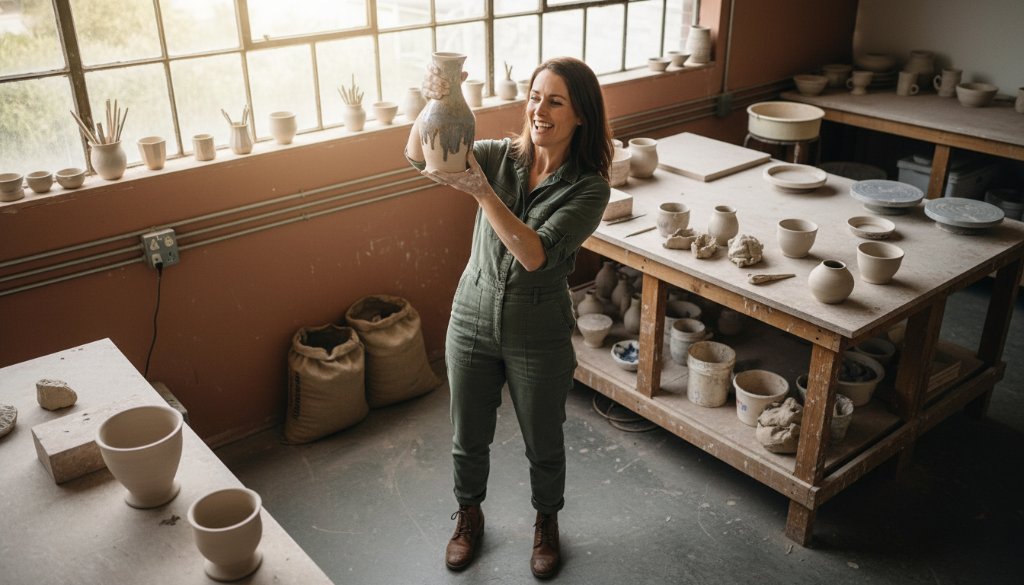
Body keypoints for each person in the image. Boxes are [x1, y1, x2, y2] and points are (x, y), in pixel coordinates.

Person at [404, 56, 612, 579]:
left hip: (536, 329)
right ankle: (468, 515)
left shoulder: (589, 188)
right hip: (472, 312)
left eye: (555, 101)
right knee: (466, 434)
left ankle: (546, 523)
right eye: (535, 97)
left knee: (544, 438)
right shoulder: (501, 155)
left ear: (581, 114)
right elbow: (418, 157)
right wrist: (436, 98)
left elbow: (533, 253)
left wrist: (481, 193)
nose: (539, 110)